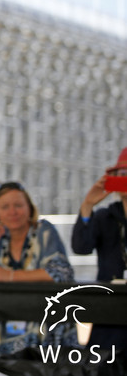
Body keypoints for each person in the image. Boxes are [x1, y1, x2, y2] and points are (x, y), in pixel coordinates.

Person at [0, 181, 76, 366]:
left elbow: (60, 272)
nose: (13, 212)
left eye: (18, 205)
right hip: (4, 338)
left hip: (44, 334)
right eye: (5, 207)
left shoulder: (44, 231)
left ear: (29, 207)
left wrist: (9, 276)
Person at [71, 147, 127, 360]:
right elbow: (81, 247)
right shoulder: (105, 216)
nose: (125, 180)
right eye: (122, 175)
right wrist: (88, 205)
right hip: (109, 308)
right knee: (103, 363)